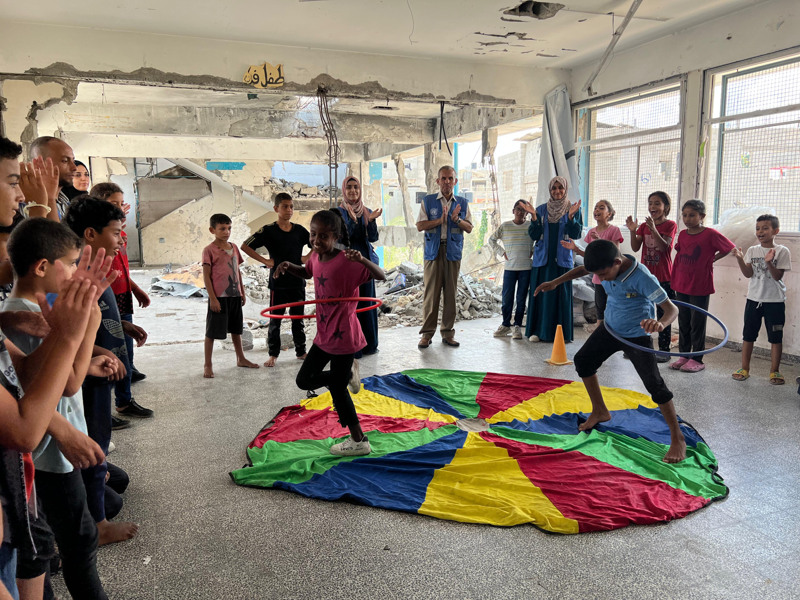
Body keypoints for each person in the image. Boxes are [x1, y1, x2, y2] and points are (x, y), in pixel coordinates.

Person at [0, 135, 115, 599]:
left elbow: (28, 369)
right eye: (13, 181)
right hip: (39, 453)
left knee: (38, 547)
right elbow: (58, 390)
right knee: (66, 542)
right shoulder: (26, 304)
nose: (21, 193)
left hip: (27, 467)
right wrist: (82, 322)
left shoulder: (18, 310)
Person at [534, 239, 686, 463]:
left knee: (655, 385)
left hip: (636, 335)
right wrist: (556, 282)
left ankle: (677, 437)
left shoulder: (642, 277)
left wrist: (660, 324)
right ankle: (600, 411)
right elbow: (583, 268)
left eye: (603, 274)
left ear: (617, 262)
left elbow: (672, 309)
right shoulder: (603, 263)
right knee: (583, 361)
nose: (601, 279)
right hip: (610, 329)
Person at [64, 195, 145, 546]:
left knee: (116, 479)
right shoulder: (74, 274)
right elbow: (67, 331)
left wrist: (121, 329)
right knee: (94, 445)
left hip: (102, 372)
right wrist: (97, 356)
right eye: (116, 232)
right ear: (90, 234)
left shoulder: (98, 268)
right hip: (89, 379)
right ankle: (95, 524)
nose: (121, 240)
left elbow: (97, 318)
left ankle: (94, 493)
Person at [274, 210, 386, 456]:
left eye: (323, 236)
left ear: (335, 236)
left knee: (336, 389)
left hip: (344, 336)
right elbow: (307, 272)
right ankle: (344, 376)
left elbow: (381, 275)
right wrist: (288, 265)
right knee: (304, 380)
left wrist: (363, 260)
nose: (316, 240)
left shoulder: (347, 261)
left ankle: (358, 440)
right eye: (313, 235)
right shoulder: (315, 255)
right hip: (324, 334)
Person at [90, 183, 150, 429]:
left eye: (121, 203)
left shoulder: (119, 234)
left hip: (121, 297)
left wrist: (134, 288)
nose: (120, 208)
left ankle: (124, 400)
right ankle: (101, 412)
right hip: (105, 298)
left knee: (124, 350)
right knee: (106, 355)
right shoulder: (96, 241)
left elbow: (122, 267)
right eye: (114, 204)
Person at [241, 193, 310, 367]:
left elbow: (317, 244)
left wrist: (306, 258)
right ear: (276, 209)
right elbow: (245, 246)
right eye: (285, 206)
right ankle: (273, 354)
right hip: (278, 283)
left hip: (297, 282)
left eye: (291, 206)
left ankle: (301, 351)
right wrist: (265, 261)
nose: (289, 210)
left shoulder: (300, 231)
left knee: (298, 319)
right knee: (275, 320)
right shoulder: (268, 230)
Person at [670, 200, 735, 373]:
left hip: (700, 284)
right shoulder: (683, 234)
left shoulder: (710, 234)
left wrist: (712, 259)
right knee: (683, 320)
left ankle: (697, 358)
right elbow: (680, 251)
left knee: (697, 321)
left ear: (702, 216)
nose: (687, 219)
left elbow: (729, 247)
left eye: (692, 215)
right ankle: (684, 354)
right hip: (681, 282)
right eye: (684, 215)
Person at [415, 166, 473, 349]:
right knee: (431, 295)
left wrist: (456, 220)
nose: (447, 182)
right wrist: (441, 220)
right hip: (433, 252)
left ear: (455, 181)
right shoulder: (428, 201)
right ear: (437, 181)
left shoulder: (462, 203)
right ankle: (426, 334)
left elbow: (469, 228)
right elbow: (420, 225)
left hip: (453, 252)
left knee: (450, 295)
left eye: (450, 178)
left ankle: (448, 333)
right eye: (443, 178)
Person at [731, 215, 791, 385]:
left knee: (775, 337)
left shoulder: (782, 251)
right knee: (748, 335)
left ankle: (775, 371)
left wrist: (770, 262)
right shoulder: (752, 250)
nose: (760, 232)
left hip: (775, 302)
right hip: (753, 299)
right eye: (758, 228)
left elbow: (778, 276)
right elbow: (748, 274)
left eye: (765, 228)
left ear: (775, 231)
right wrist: (740, 259)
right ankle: (744, 368)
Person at [521, 176, 581, 343]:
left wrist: (570, 217)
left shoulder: (573, 209)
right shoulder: (540, 210)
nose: (557, 191)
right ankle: (538, 332)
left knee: (561, 296)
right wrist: (533, 217)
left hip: (562, 262)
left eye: (560, 188)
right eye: (554, 188)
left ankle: (562, 335)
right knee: (541, 295)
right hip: (543, 262)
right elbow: (533, 235)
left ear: (565, 189)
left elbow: (576, 234)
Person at [202, 213, 259, 378]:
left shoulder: (234, 247)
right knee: (212, 332)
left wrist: (242, 290)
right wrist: (212, 298)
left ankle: (241, 358)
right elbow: (206, 276)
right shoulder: (209, 250)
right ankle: (208, 364)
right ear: (212, 230)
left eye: (229, 228)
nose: (226, 232)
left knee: (236, 329)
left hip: (234, 296)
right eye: (222, 229)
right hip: (219, 297)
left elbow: (237, 270)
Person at [626, 191, 678, 362]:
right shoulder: (643, 225)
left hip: (663, 277)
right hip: (645, 277)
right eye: (650, 203)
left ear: (666, 207)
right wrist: (633, 231)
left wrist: (653, 229)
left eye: (657, 203)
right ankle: (639, 347)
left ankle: (664, 350)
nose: (652, 207)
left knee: (664, 312)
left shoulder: (670, 225)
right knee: (642, 311)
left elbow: (664, 248)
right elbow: (635, 248)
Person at [336, 175, 382, 356]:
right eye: (349, 187)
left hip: (365, 265)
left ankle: (369, 344)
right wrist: (354, 222)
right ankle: (354, 347)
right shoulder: (338, 213)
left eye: (356, 187)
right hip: (347, 266)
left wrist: (370, 221)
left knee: (366, 304)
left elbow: (372, 238)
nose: (353, 191)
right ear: (344, 190)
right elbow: (342, 240)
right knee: (351, 307)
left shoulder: (366, 211)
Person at [561, 199, 623, 325]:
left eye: (601, 208)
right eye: (595, 208)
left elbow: (616, 254)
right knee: (600, 308)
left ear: (609, 214)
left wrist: (600, 241)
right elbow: (591, 257)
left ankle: (613, 333)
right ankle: (600, 331)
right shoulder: (591, 232)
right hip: (598, 278)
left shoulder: (614, 230)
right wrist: (575, 248)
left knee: (613, 307)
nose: (597, 210)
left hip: (611, 278)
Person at [489, 200, 534, 339]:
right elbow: (492, 240)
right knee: (507, 297)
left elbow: (540, 239)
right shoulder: (505, 226)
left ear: (527, 213)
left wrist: (533, 250)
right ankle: (505, 324)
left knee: (521, 298)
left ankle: (517, 327)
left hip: (526, 268)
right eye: (518, 209)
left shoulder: (530, 226)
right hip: (509, 268)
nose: (520, 212)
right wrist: (502, 253)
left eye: (523, 210)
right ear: (513, 211)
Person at [28, 136, 78, 220]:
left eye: (73, 161)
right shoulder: (29, 204)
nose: (74, 167)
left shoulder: (64, 201)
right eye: (65, 161)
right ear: (40, 164)